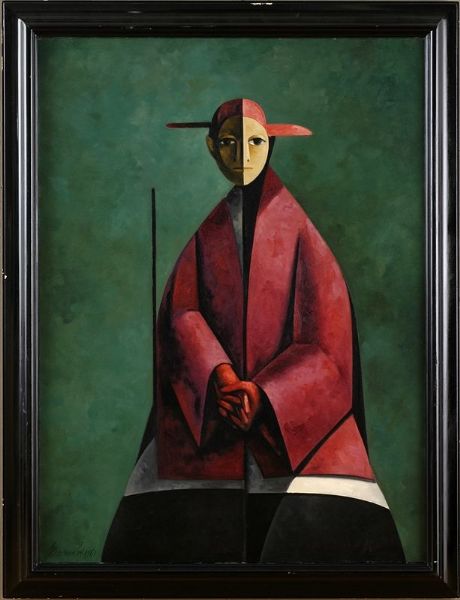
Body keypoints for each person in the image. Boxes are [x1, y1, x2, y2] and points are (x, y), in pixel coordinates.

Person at [102, 98, 405, 564]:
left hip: (298, 439)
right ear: (211, 147)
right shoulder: (207, 234)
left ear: (271, 145)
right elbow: (182, 313)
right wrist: (221, 377)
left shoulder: (303, 235)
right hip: (210, 421)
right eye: (229, 143)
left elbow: (327, 344)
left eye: (255, 142)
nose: (242, 154)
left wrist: (265, 395)